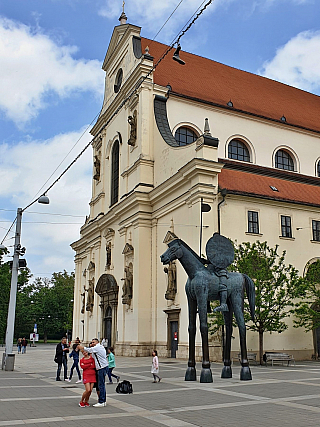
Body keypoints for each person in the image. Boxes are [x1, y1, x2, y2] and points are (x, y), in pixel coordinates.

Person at [78, 338, 108, 407]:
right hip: (101, 368)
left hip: (101, 368)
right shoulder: (99, 347)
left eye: (93, 342)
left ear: (97, 342)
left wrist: (82, 347)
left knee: (101, 385)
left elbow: (89, 350)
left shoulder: (97, 347)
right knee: (100, 385)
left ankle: (101, 401)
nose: (92, 343)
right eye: (91, 342)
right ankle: (102, 400)